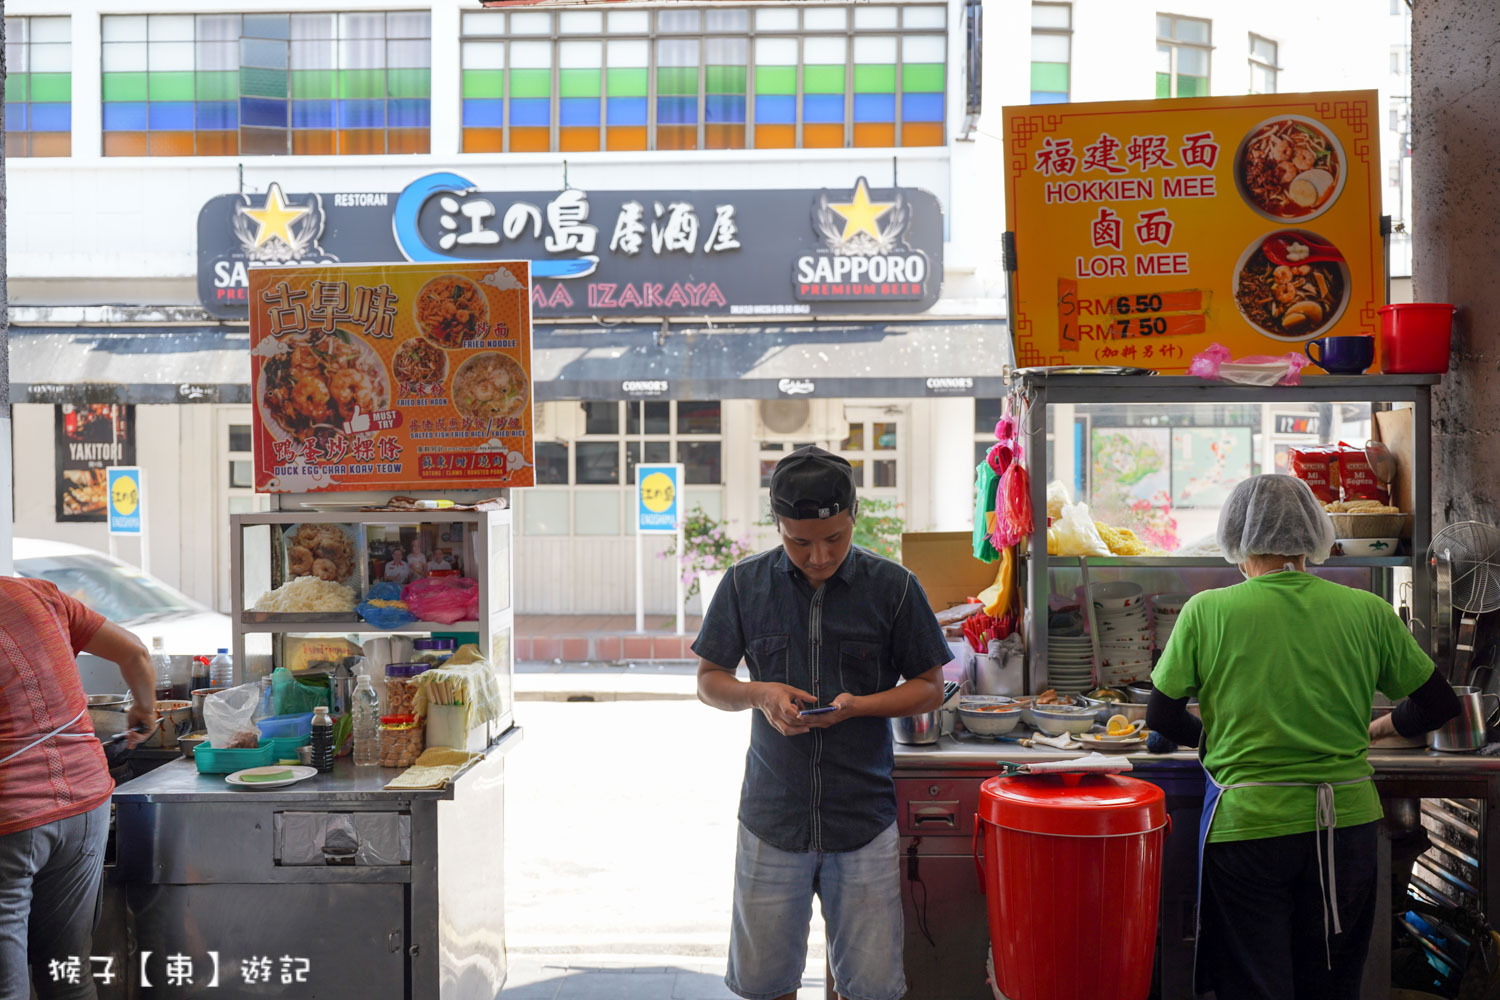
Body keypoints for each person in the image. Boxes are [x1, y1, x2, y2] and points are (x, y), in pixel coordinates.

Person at [1146, 474, 1459, 1000]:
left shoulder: (1207, 611)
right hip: (1346, 829)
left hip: (1248, 829)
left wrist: (1213, 740)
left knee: (1256, 986)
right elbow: (1439, 705)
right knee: (1331, 987)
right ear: (1314, 536)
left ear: (1238, 539)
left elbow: (1161, 714)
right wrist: (1376, 730)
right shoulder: (1367, 611)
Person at [693, 445, 951, 1000]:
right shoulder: (743, 584)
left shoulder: (895, 587)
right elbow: (709, 679)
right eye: (799, 541)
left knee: (872, 988)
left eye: (834, 538)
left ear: (854, 515)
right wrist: (760, 694)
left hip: (861, 818)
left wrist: (859, 706)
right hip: (772, 816)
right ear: (777, 525)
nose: (818, 556)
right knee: (764, 985)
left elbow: (930, 687)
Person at [0, 576, 156, 1000]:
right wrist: (143, 708)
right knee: (66, 976)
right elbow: (136, 654)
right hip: (85, 805)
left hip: (12, 819)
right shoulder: (35, 592)